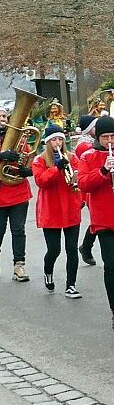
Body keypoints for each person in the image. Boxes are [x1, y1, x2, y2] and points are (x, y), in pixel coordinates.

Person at [77, 116, 114, 329]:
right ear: (97, 136)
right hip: (103, 220)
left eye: (113, 136)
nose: (110, 141)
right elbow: (83, 184)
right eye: (105, 137)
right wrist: (103, 170)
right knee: (112, 265)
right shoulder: (88, 156)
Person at [32, 124, 83, 297]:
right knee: (54, 249)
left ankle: (71, 285)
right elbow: (41, 181)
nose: (58, 142)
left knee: (71, 249)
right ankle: (48, 272)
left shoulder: (72, 157)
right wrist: (56, 169)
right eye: (54, 139)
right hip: (51, 209)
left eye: (60, 139)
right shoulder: (40, 160)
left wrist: (81, 198)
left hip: (70, 208)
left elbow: (78, 179)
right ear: (48, 142)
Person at [0, 108, 34, 283]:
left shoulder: (20, 138)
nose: (2, 120)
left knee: (18, 231)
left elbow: (28, 158)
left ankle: (19, 265)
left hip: (18, 193)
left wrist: (26, 170)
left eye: (4, 116)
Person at [74, 114, 100, 266]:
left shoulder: (94, 141)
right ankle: (86, 247)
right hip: (89, 187)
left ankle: (86, 247)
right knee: (98, 220)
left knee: (99, 220)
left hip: (98, 183)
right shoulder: (84, 145)